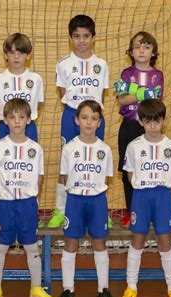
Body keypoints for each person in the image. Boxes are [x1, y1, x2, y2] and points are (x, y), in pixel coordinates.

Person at [0, 98, 57, 297]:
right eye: (12, 117)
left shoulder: (36, 149)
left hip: (27, 204)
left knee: (32, 248)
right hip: (5, 205)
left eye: (21, 117)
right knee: (0, 248)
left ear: (28, 120)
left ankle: (35, 289)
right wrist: (4, 193)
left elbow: (39, 178)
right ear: (5, 120)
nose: (16, 121)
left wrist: (28, 194)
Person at [120, 99, 171, 297]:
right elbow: (129, 172)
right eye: (148, 121)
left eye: (156, 121)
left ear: (164, 121)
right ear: (140, 121)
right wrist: (139, 184)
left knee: (164, 241)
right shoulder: (134, 146)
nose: (152, 126)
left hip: (162, 197)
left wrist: (162, 186)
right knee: (137, 239)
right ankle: (131, 287)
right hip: (141, 197)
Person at [48, 14, 110, 229]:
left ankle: (102, 210)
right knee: (67, 161)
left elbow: (100, 94)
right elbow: (63, 92)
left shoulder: (101, 64)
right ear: (70, 38)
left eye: (86, 36)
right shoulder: (63, 64)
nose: (81, 40)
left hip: (94, 116)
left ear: (93, 37)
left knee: (97, 160)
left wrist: (91, 117)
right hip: (71, 115)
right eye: (77, 36)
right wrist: (77, 114)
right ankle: (60, 209)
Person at [57, 100, 115, 297]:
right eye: (84, 117)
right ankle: (67, 289)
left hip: (97, 200)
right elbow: (63, 177)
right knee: (71, 243)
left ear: (99, 122)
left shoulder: (105, 149)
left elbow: (107, 178)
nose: (89, 122)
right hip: (75, 200)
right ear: (76, 120)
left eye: (94, 118)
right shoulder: (69, 148)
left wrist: (92, 188)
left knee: (99, 243)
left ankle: (103, 289)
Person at [114, 31, 163, 227]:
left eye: (147, 46)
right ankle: (130, 212)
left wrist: (134, 92)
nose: (141, 50)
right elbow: (122, 98)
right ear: (131, 51)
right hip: (129, 126)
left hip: (150, 128)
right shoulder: (127, 74)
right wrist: (144, 93)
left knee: (149, 169)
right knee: (129, 170)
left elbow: (155, 101)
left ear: (153, 52)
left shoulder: (157, 75)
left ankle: (150, 212)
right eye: (137, 47)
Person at [0, 33, 44, 141]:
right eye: (12, 52)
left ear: (28, 55)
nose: (16, 56)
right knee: (4, 157)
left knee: (30, 157)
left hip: (28, 127)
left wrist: (24, 116)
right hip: (5, 126)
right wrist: (9, 117)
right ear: (5, 55)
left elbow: (39, 104)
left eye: (21, 52)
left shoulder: (36, 78)